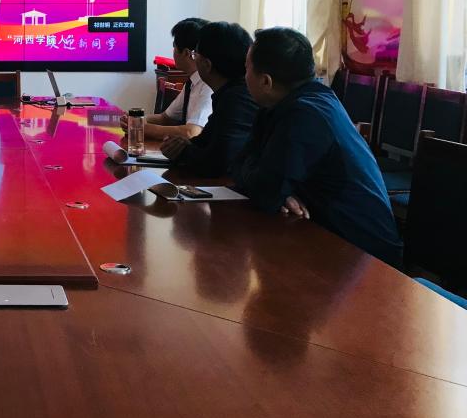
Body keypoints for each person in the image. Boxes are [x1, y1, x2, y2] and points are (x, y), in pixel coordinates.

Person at [234, 27, 403, 267]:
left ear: (265, 81)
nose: (244, 77)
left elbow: (264, 190)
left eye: (246, 69)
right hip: (322, 235)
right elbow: (240, 166)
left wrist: (275, 190)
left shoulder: (306, 114)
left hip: (363, 257)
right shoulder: (284, 105)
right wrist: (279, 191)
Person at [161, 21, 258, 177]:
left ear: (207, 64)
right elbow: (204, 141)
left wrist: (183, 151)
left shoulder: (237, 98)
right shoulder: (226, 92)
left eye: (195, 54)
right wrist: (182, 145)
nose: (193, 59)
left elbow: (220, 161)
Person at [121, 17, 211, 140]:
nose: (173, 51)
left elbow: (191, 133)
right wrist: (136, 120)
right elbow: (166, 118)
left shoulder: (207, 85)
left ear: (186, 53)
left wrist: (141, 127)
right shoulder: (192, 82)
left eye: (174, 46)